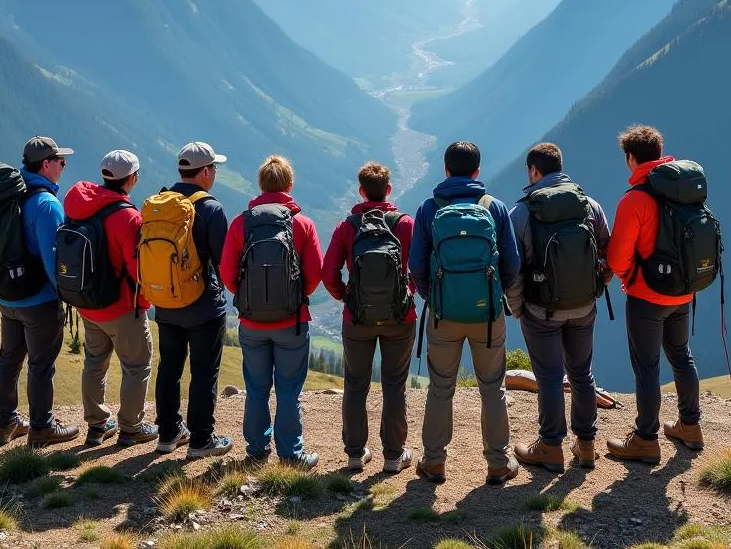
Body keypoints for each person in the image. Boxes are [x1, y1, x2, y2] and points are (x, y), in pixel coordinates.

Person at [408, 141, 522, 486]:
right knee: (492, 387)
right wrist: (491, 295)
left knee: (441, 387)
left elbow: (415, 265)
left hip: (443, 315)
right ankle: (499, 464)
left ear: (445, 170)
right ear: (477, 171)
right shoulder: (495, 207)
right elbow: (513, 264)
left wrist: (436, 297)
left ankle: (434, 463)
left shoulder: (429, 209)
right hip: (487, 316)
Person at [508, 142, 612, 472]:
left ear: (533, 171)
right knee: (582, 374)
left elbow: (512, 268)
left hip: (540, 310)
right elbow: (608, 253)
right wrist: (596, 288)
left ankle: (551, 447)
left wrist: (517, 307)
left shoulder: (522, 212)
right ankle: (586, 447)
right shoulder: (589, 205)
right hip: (583, 307)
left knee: (550, 376)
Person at [606, 125, 703, 465]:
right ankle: (690, 426)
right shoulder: (684, 190)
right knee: (681, 354)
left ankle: (646, 439)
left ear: (631, 158)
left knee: (647, 367)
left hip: (646, 296)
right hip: (683, 291)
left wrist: (630, 276)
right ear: (660, 152)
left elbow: (616, 257)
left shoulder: (635, 199)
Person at [219, 155, 323, 469]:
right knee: (289, 390)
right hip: (291, 322)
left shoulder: (241, 222)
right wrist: (294, 296)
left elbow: (226, 272)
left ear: (261, 185)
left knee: (256, 388)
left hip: (251, 322)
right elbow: (315, 273)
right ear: (289, 185)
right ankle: (291, 455)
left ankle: (256, 450)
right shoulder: (302, 224)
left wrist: (249, 299)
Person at [322, 161, 416, 474]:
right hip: (399, 318)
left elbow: (328, 271)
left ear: (361, 191)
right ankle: (393, 455)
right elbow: (421, 266)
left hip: (357, 318)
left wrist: (346, 296)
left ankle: (354, 453)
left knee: (356, 384)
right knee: (394, 385)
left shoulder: (347, 226)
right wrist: (407, 292)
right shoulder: (405, 224)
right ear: (389, 189)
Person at [62, 150, 158, 448]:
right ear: (131, 179)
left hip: (87, 302)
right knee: (137, 365)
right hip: (120, 306)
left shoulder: (80, 206)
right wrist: (145, 302)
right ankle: (131, 428)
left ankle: (97, 426)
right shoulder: (128, 217)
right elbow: (137, 269)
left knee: (94, 363)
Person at [0, 136, 78, 448]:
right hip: (39, 299)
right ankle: (42, 428)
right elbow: (53, 260)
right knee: (41, 363)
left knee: (9, 359)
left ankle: (6, 424)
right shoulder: (46, 204)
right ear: (46, 164)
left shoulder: (9, 194)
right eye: (61, 162)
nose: (64, 167)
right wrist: (68, 297)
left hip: (6, 295)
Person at [152, 141, 233, 458]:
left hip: (166, 303)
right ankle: (201, 440)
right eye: (214, 168)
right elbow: (224, 263)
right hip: (202, 307)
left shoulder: (158, 203)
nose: (214, 174)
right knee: (203, 373)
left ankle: (167, 434)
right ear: (205, 172)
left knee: (169, 368)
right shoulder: (211, 209)